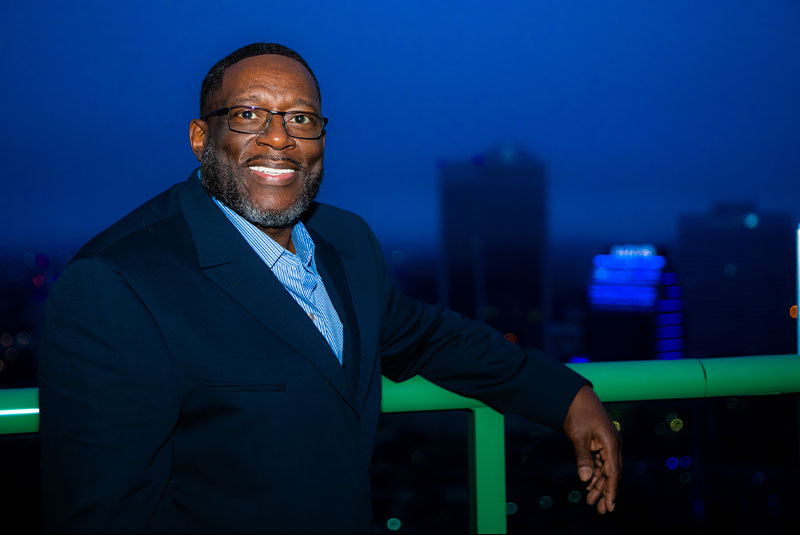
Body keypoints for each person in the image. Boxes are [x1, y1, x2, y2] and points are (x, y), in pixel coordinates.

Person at [39, 42, 621, 533]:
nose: (279, 139)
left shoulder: (346, 239)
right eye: (248, 115)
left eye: (301, 118)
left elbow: (428, 336)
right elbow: (103, 513)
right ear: (200, 136)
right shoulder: (117, 281)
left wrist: (566, 396)